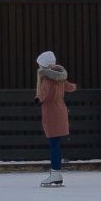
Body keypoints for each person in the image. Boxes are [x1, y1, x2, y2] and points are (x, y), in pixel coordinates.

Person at [34, 51, 77, 187]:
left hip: (52, 113)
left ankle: (55, 173)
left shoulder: (47, 78)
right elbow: (70, 87)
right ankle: (56, 173)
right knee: (56, 143)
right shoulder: (60, 76)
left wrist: (38, 98)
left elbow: (44, 93)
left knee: (53, 144)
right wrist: (75, 86)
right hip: (61, 111)